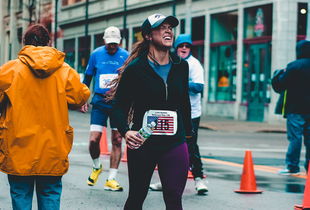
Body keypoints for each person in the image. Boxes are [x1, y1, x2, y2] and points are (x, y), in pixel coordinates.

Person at [0, 24, 90, 210]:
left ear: (24, 43)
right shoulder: (64, 70)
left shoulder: (10, 70)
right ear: (49, 42)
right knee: (50, 193)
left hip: (19, 147)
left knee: (20, 193)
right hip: (53, 147)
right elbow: (81, 96)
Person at [109, 14, 192, 209]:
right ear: (148, 35)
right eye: (161, 27)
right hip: (143, 142)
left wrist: (189, 138)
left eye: (170, 27)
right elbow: (119, 106)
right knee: (137, 196)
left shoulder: (181, 66)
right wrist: (126, 131)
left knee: (173, 198)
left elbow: (184, 103)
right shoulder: (135, 69)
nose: (168, 31)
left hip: (174, 142)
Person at [149, 34, 208, 194]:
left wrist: (180, 83)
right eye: (181, 45)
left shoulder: (194, 64)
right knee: (165, 146)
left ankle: (198, 180)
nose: (184, 48)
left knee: (191, 146)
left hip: (191, 113)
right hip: (170, 112)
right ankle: (164, 180)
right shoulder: (171, 61)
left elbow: (199, 86)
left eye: (187, 46)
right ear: (176, 47)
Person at [80, 26, 129, 191]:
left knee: (117, 140)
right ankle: (96, 166)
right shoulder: (96, 54)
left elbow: (132, 81)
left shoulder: (126, 56)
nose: (112, 46)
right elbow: (87, 78)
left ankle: (111, 178)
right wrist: (82, 99)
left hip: (118, 103)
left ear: (119, 42)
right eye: (109, 43)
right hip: (99, 102)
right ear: (104, 40)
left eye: (115, 44)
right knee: (94, 140)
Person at [272, 40, 310, 175]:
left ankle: (292, 167)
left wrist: (277, 75)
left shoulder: (294, 66)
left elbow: (280, 85)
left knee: (295, 138)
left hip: (295, 109)